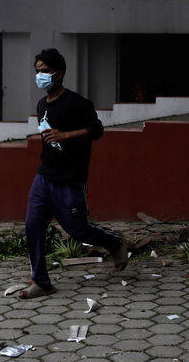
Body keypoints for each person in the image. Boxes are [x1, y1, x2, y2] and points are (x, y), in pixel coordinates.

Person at [19, 47, 128, 299]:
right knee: (33, 226)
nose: (40, 76)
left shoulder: (78, 103)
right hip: (43, 177)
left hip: (69, 180)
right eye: (37, 72)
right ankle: (41, 282)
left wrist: (66, 135)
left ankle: (115, 243)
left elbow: (97, 130)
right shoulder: (41, 104)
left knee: (78, 230)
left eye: (45, 71)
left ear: (60, 73)